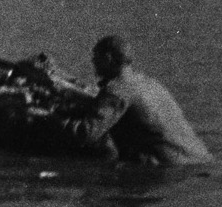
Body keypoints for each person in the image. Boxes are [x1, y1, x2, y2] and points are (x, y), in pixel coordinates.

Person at [53, 35, 212, 166]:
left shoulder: (117, 90)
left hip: (172, 167)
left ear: (108, 58)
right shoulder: (149, 83)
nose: (93, 62)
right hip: (199, 158)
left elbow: (86, 133)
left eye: (96, 57)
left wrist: (47, 116)